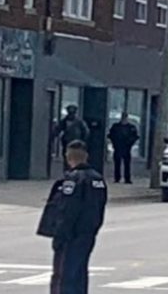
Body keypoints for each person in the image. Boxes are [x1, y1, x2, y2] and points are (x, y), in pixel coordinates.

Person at [37, 140, 107, 294]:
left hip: (70, 236)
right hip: (88, 234)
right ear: (86, 156)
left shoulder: (73, 180)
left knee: (63, 276)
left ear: (68, 158)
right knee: (80, 274)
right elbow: (100, 207)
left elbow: (67, 210)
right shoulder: (98, 179)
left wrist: (60, 235)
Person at [107, 113, 139, 184]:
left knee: (127, 164)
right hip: (118, 147)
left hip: (126, 148)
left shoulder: (131, 127)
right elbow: (111, 135)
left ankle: (127, 178)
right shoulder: (116, 127)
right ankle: (117, 178)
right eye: (123, 118)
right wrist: (114, 143)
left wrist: (129, 143)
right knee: (117, 164)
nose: (124, 119)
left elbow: (135, 136)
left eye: (125, 118)